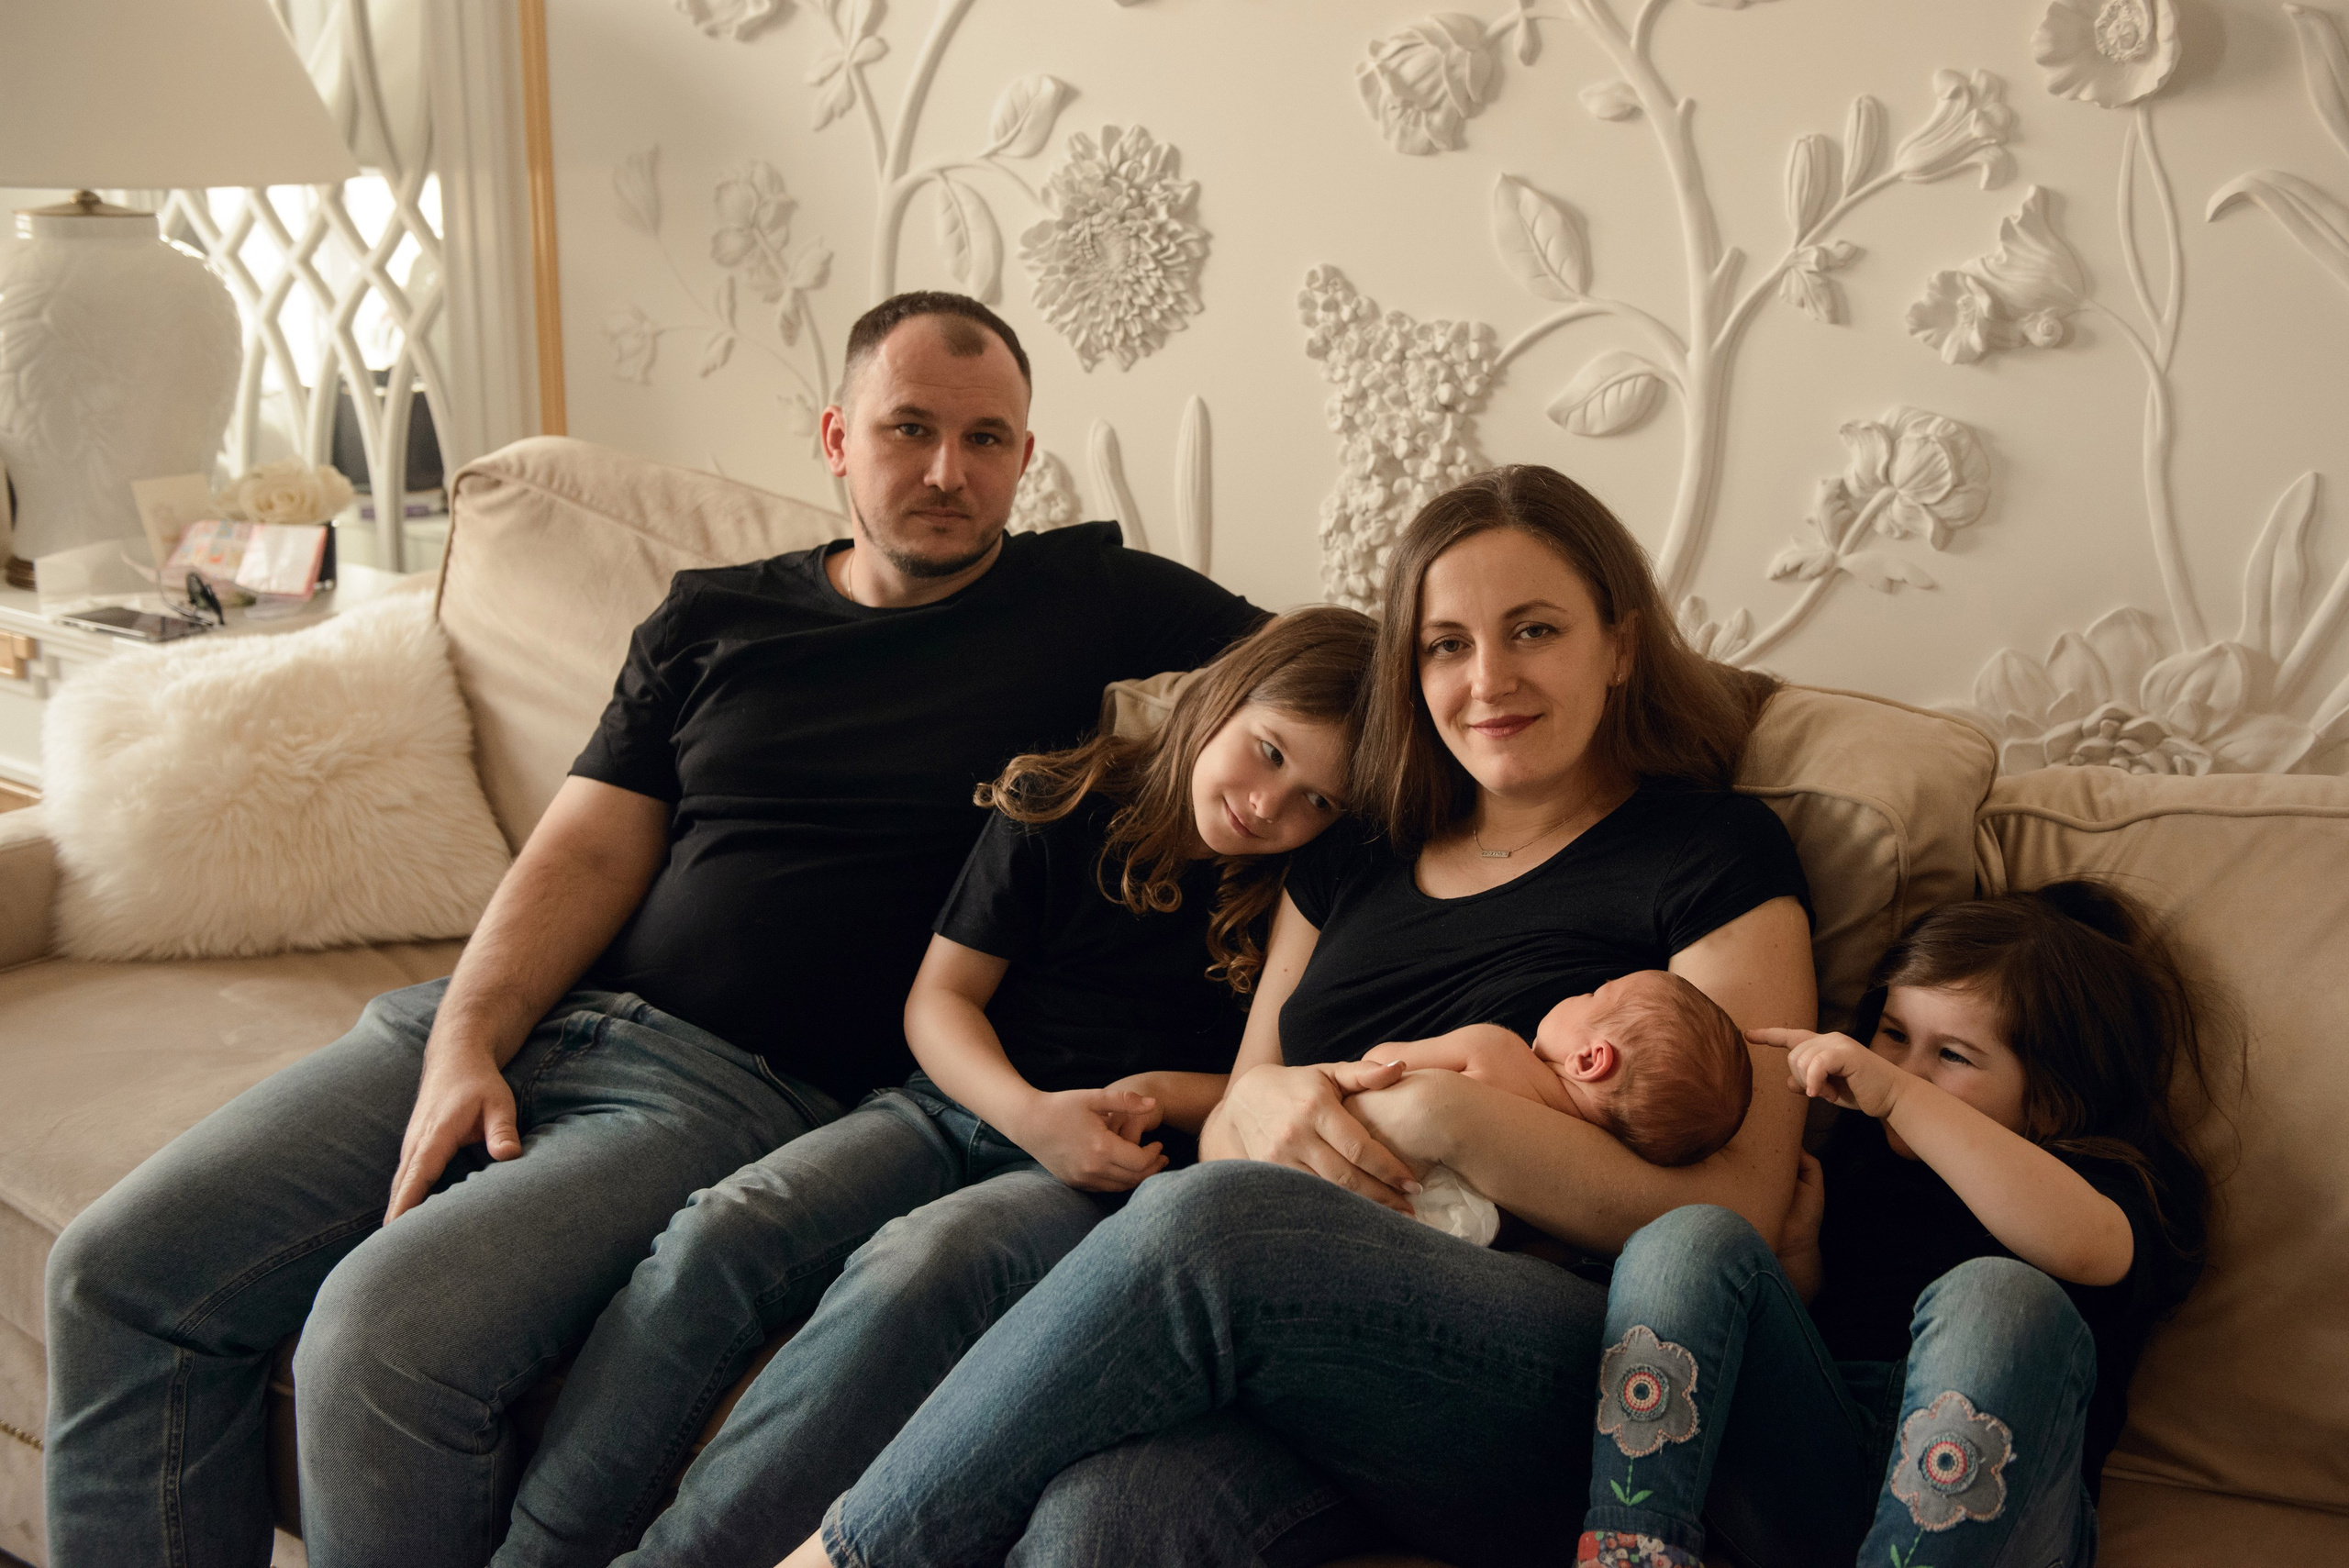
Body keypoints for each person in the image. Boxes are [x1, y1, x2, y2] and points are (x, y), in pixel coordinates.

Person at [40, 291, 1264, 1568]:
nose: (950, 472)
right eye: (910, 430)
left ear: (1024, 455)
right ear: (839, 437)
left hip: (734, 1093)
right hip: (531, 1018)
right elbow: (581, 847)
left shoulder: (1087, 601)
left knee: (380, 1332)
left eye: (989, 440)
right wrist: (467, 1038)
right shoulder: (712, 615)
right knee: (119, 1276)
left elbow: (1347, 681)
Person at [778, 462, 1820, 1568]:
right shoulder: (1356, 852)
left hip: (1561, 1349)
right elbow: (1236, 1113)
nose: (1487, 679)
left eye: (1533, 630)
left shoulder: (1712, 852)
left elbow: (1736, 1213)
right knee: (1103, 1517)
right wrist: (1265, 1103)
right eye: (1445, 644)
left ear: (1617, 643)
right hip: (1302, 1331)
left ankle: (844, 1556)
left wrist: (1452, 1120)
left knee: (1213, 1224)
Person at [495, 606, 1373, 1568]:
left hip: (1104, 1172)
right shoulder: (1057, 795)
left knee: (920, 1263)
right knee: (721, 1228)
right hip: (952, 1102)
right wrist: (1029, 1113)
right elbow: (940, 1000)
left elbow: (1252, 1087)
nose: (1271, 804)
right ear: (1222, 697)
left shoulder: (1296, 888)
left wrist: (1156, 1094)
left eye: (1318, 799)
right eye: (1269, 752)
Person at [1576, 881, 2219, 1568]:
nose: (1901, 1069)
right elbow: (1821, 1341)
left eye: (1952, 1055)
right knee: (1689, 1237)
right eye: (1893, 1034)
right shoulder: (1861, 1157)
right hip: (1820, 1475)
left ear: (2054, 1100)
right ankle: (1633, 1548)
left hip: (2005, 1512)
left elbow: (2087, 1246)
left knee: (1998, 1295)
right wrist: (1799, 1261)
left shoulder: (2108, 1186)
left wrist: (1901, 1096)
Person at [1364, 970, 1752, 1242]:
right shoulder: (1573, 1199)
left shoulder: (1494, 1050)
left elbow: (1379, 1066)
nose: (1583, 993)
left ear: (1587, 1060)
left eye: (1596, 994)